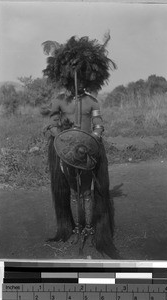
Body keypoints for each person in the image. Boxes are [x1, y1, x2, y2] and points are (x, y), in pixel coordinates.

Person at [43, 35, 120, 259]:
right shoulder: (58, 101)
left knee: (87, 192)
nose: (75, 84)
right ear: (64, 78)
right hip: (65, 153)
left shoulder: (92, 101)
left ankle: (88, 227)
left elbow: (98, 124)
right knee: (74, 192)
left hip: (87, 152)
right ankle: (74, 227)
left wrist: (92, 139)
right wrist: (63, 139)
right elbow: (52, 123)